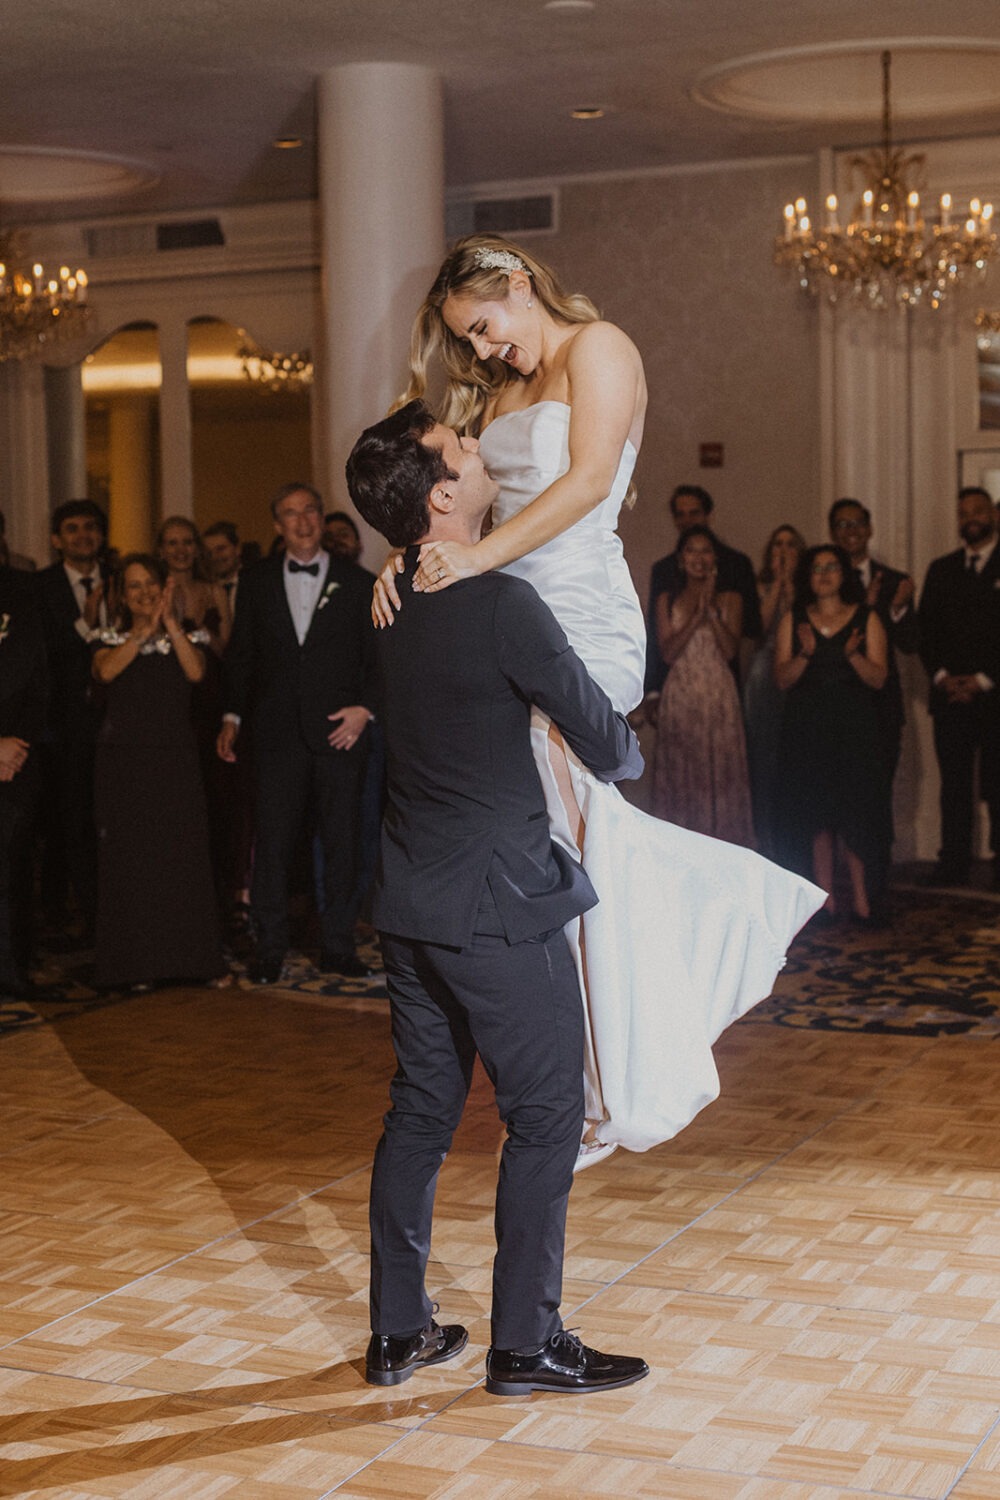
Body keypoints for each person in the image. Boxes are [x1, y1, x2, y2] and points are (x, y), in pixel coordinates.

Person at [373, 235, 823, 1162]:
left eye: (484, 327)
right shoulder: (496, 390)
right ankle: (583, 1058)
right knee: (543, 830)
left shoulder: (602, 347)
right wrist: (405, 555)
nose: (484, 350)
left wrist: (474, 560)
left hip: (581, 613)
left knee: (562, 822)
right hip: (504, 611)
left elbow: (585, 484)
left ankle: (600, 1067)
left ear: (518, 283)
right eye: (469, 340)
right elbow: (450, 491)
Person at [346, 399, 649, 1395]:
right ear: (441, 497)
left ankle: (397, 1334)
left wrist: (397, 563)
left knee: (420, 1114)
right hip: (496, 905)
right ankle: (526, 1342)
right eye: (463, 449)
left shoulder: (387, 600)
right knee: (548, 1113)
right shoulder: (501, 605)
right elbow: (600, 735)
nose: (481, 451)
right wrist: (629, 750)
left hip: (408, 903)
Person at [218, 482, 377, 985]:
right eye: (291, 513)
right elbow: (242, 654)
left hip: (340, 733)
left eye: (310, 511)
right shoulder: (256, 580)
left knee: (343, 842)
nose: (302, 521)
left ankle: (338, 945)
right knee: (273, 844)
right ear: (277, 525)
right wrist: (231, 716)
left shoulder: (359, 582)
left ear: (322, 518)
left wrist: (366, 709)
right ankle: (269, 948)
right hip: (277, 734)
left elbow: (378, 658)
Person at [91, 556, 227, 990]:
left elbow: (196, 671)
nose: (144, 592)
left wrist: (168, 623)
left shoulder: (184, 635)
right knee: (133, 863)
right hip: (125, 765)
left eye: (150, 583)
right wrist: (143, 632)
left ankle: (192, 962)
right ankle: (135, 967)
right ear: (121, 595)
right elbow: (107, 670)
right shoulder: (106, 637)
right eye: (134, 586)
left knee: (181, 858)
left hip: (175, 762)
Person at [774, 544, 888, 922]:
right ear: (808, 576)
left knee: (855, 814)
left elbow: (879, 678)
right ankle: (826, 901)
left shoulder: (866, 617)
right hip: (807, 730)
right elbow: (782, 679)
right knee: (817, 816)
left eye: (832, 567)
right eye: (817, 568)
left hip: (855, 731)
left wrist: (852, 654)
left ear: (844, 574)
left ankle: (862, 901)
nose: (824, 574)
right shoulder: (794, 619)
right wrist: (806, 652)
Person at [828, 499, 917, 918]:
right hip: (834, 710)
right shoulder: (824, 578)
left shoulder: (895, 581)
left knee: (875, 799)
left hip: (880, 710)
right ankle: (836, 889)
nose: (850, 531)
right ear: (833, 532)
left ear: (869, 528)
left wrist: (896, 608)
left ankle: (875, 888)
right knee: (835, 800)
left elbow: (911, 643)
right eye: (842, 524)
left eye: (857, 523)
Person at [33, 498, 109, 943]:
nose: (84, 535)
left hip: (117, 723)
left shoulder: (121, 580)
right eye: (73, 528)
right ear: (56, 539)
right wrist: (86, 625)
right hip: (63, 728)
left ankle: (116, 913)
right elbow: (42, 654)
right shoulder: (38, 588)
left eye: (91, 526)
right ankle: (80, 916)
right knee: (70, 821)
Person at [917, 486, 1000, 885]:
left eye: (978, 511)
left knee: (998, 783)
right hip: (949, 696)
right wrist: (942, 677)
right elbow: (926, 631)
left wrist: (983, 680)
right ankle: (953, 861)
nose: (971, 518)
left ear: (994, 515)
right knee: (953, 785)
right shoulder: (941, 569)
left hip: (995, 696)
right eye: (964, 512)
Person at [652, 524, 754, 844]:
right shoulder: (667, 599)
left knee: (721, 771)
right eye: (691, 551)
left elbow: (730, 650)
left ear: (715, 558)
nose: (699, 557)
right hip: (681, 693)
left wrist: (711, 614)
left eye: (705, 551)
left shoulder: (731, 598)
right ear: (681, 559)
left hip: (718, 693)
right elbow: (667, 653)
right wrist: (695, 618)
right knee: (683, 772)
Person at [642, 483, 762, 723]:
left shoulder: (737, 564)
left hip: (725, 682)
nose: (687, 520)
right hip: (677, 682)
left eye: (694, 513)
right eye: (680, 514)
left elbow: (751, 631)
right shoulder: (664, 569)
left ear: (708, 515)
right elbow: (655, 636)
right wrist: (653, 689)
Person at [743, 524, 806, 857]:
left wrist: (792, 585)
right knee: (763, 755)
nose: (783, 550)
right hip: (763, 674)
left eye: (790, 544)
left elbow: (800, 628)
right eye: (778, 544)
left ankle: (794, 839)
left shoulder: (808, 588)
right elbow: (760, 628)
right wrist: (778, 584)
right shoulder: (760, 585)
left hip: (798, 672)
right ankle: (766, 839)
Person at [0, 567, 47, 997]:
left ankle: (12, 968)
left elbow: (39, 684)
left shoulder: (22, 600)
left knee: (12, 869)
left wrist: (16, 747)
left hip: (16, 758)